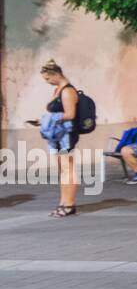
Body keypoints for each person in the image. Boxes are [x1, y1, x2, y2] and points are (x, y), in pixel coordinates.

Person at [39, 60, 83, 218]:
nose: (47, 82)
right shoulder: (58, 90)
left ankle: (70, 205)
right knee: (62, 169)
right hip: (57, 135)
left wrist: (50, 119)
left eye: (48, 79)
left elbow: (70, 114)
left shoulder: (68, 91)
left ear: (56, 75)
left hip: (67, 135)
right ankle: (63, 202)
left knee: (68, 168)